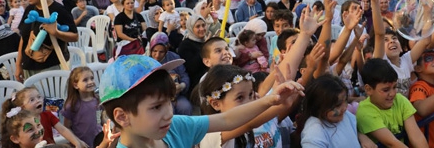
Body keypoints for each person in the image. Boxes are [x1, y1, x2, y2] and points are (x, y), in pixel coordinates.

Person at [98, 54, 303, 148]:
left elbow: (227, 120)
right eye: (156, 107)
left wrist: (271, 101)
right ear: (122, 117)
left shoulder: (174, 127)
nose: (169, 112)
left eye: (169, 101)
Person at [356, 58, 428, 147]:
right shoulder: (365, 112)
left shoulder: (400, 100)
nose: (392, 94)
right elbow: (392, 143)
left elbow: (416, 136)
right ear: (369, 89)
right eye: (386, 90)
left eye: (394, 87)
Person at [16, 0, 78, 80]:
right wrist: (18, 65)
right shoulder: (30, 9)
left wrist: (56, 33)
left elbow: (75, 36)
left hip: (51, 66)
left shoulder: (58, 10)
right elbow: (24, 38)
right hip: (28, 64)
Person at [299, 74, 376, 148]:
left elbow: (350, 131)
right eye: (338, 105)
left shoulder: (345, 116)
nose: (345, 107)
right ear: (319, 106)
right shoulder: (314, 132)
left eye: (345, 100)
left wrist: (361, 136)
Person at [0, 87, 85, 146]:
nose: (38, 100)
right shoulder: (21, 123)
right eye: (32, 100)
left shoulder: (47, 115)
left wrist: (77, 142)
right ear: (22, 107)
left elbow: (63, 130)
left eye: (39, 97)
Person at [149, 32, 192, 115]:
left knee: (186, 107)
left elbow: (184, 75)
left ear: (166, 49)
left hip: (176, 96)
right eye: (154, 51)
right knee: (168, 110)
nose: (157, 55)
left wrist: (182, 86)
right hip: (156, 98)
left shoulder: (174, 57)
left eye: (161, 52)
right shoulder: (145, 61)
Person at [62, 67, 103, 147]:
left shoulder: (97, 100)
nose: (90, 82)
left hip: (98, 141)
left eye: (92, 78)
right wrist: (77, 142)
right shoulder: (72, 105)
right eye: (85, 80)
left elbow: (99, 118)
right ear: (75, 85)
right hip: (82, 144)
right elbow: (67, 128)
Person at [178, 14, 212, 94]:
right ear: (191, 28)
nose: (202, 29)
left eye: (203, 25)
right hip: (196, 83)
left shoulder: (206, 40)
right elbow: (192, 67)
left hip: (211, 75)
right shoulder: (185, 45)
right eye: (198, 27)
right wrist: (205, 47)